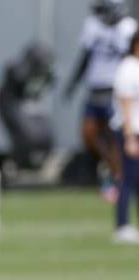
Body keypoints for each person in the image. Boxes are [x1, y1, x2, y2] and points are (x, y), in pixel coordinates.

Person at [65, 0, 137, 202]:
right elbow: (85, 56)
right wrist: (73, 84)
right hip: (95, 87)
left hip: (117, 88)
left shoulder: (128, 27)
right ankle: (116, 172)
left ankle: (120, 178)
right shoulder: (93, 24)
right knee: (88, 133)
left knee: (116, 136)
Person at [110, 31, 139, 244]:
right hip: (129, 131)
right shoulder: (127, 69)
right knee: (127, 178)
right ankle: (122, 225)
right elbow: (126, 105)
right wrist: (129, 138)